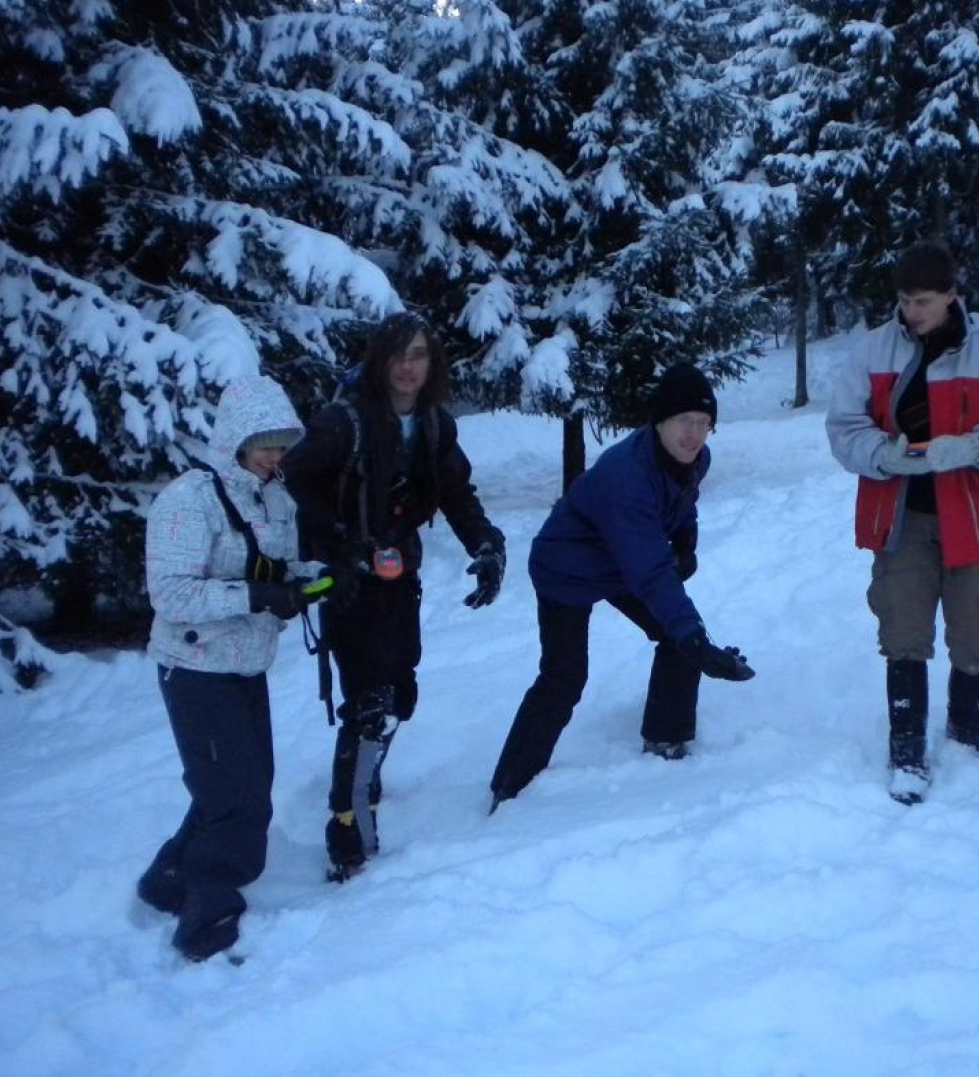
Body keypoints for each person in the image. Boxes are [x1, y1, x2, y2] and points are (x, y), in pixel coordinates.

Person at [281, 312, 506, 881]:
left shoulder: (433, 424)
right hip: (349, 581)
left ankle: (364, 785)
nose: (409, 367)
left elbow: (456, 492)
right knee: (370, 701)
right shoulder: (344, 422)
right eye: (399, 355)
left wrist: (485, 545)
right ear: (381, 360)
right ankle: (349, 833)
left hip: (399, 573)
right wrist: (337, 546)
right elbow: (294, 482)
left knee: (400, 693)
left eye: (420, 355)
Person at [826, 241, 979, 805]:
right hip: (901, 519)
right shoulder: (873, 350)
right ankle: (906, 752)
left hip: (973, 518)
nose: (912, 312)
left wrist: (977, 446)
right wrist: (881, 455)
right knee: (903, 634)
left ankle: (968, 741)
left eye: (923, 300)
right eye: (903, 300)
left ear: (952, 296)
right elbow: (843, 427)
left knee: (978, 631)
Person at [488, 362, 756, 810]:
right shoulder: (625, 477)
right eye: (685, 421)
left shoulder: (694, 459)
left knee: (677, 636)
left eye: (704, 424)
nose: (695, 434)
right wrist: (696, 640)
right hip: (566, 567)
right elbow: (650, 571)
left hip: (618, 562)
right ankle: (510, 787)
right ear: (659, 421)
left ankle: (666, 743)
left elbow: (680, 505)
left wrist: (686, 538)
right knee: (565, 676)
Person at [138, 374, 338, 961]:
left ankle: (167, 879)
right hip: (194, 667)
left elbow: (274, 570)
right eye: (264, 440)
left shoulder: (274, 497)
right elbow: (170, 595)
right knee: (235, 797)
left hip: (246, 664)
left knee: (238, 784)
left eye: (282, 441)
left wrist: (312, 580)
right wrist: (253, 599)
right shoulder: (187, 501)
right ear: (235, 438)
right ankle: (207, 918)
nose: (276, 453)